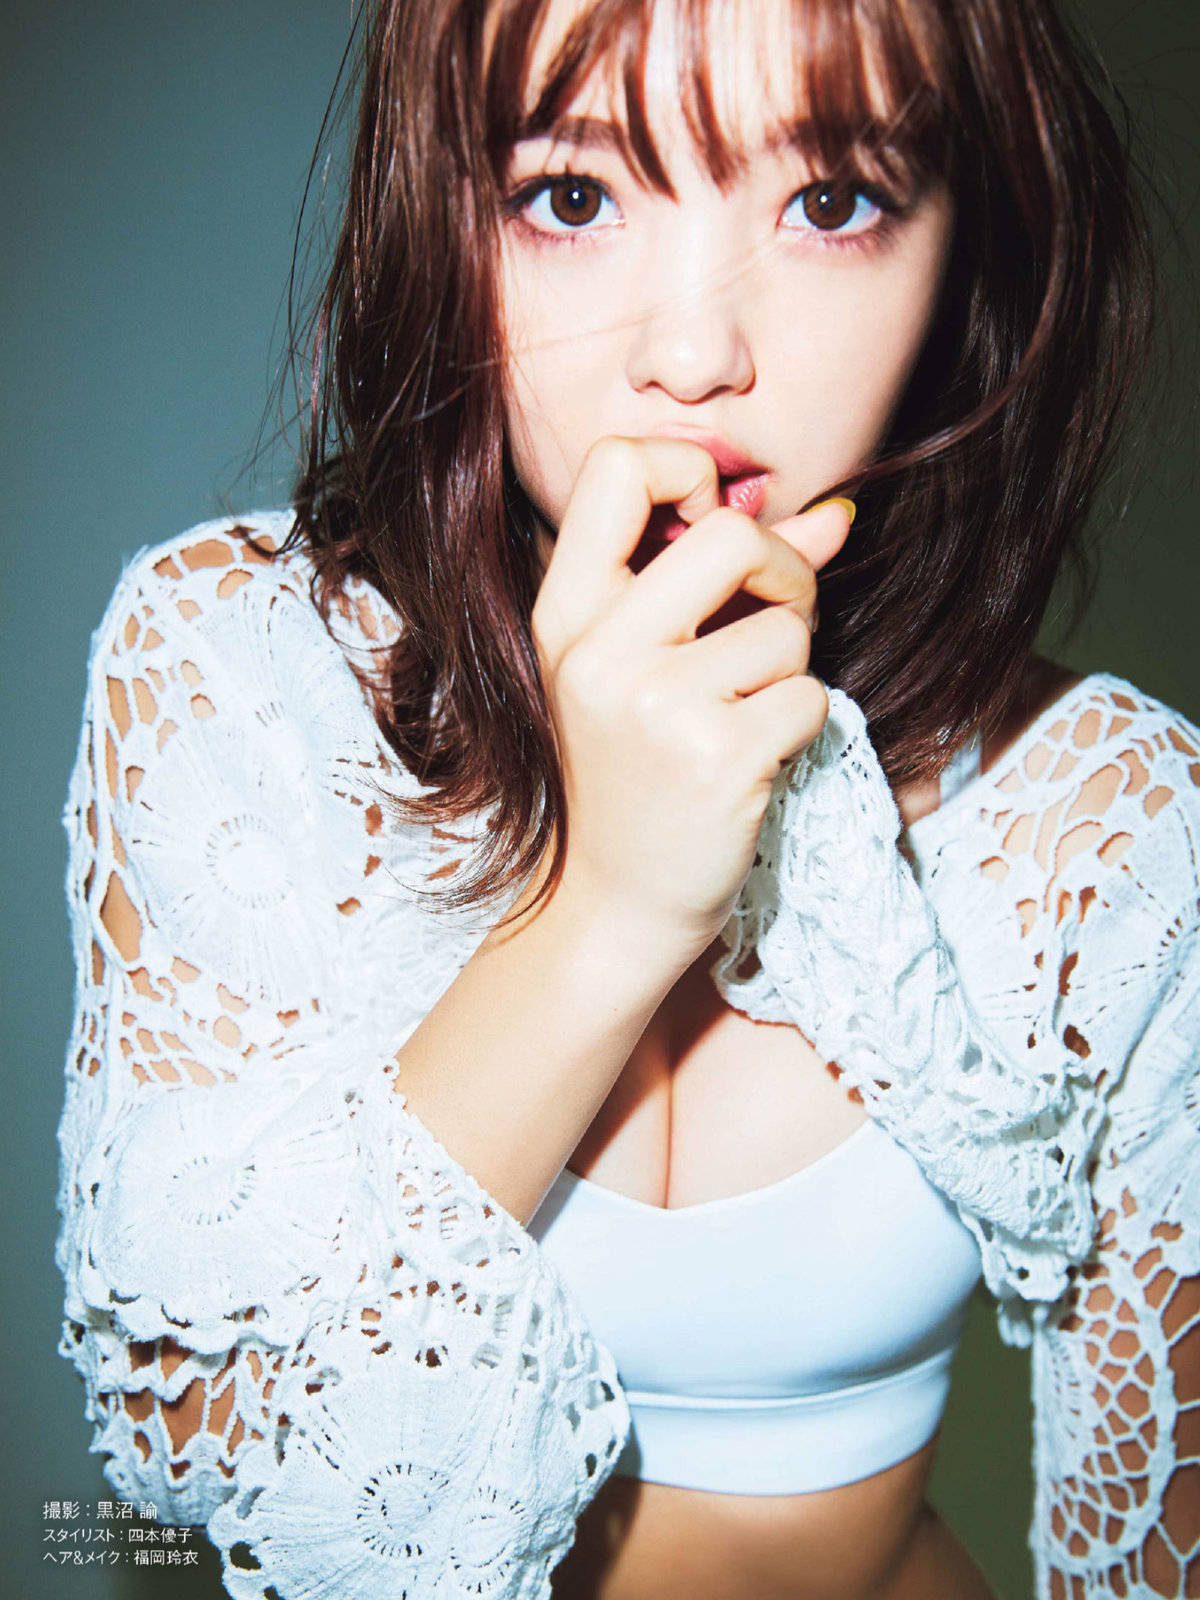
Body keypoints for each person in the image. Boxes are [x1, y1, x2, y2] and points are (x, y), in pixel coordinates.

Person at [55, 0, 1199, 1596]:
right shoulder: (228, 676)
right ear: (443, 212)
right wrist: (607, 909)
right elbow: (197, 1447)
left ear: (969, 245)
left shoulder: (1107, 823)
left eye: (831, 200)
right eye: (576, 195)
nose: (696, 354)